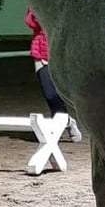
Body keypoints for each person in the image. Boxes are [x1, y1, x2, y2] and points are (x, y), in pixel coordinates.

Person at [24, 7, 82, 142]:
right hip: (41, 54)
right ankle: (66, 122)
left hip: (61, 54)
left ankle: (59, 126)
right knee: (50, 95)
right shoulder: (36, 2)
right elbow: (30, 22)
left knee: (62, 94)